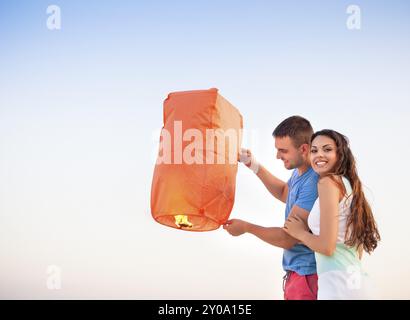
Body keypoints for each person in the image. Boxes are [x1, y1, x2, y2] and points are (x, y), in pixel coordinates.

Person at [223, 116, 319, 300]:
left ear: (304, 149)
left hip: (308, 276)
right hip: (297, 275)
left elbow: (288, 238)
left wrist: (246, 228)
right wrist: (254, 165)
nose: (277, 156)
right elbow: (285, 192)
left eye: (283, 150)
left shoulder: (313, 181)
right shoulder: (300, 173)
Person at [283, 129, 380, 299]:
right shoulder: (348, 186)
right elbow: (356, 251)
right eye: (314, 150)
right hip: (354, 280)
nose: (319, 155)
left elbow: (327, 247)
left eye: (327, 149)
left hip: (338, 283)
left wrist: (299, 233)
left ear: (339, 154)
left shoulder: (328, 182)